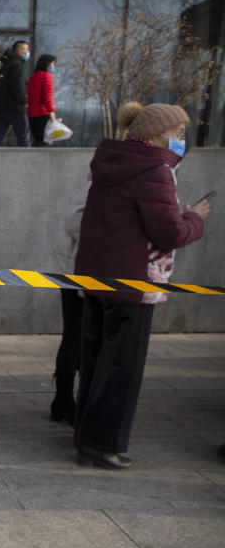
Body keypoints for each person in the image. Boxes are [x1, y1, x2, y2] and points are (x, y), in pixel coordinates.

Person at [73, 101, 211, 470]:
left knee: (97, 361)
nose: (182, 141)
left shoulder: (110, 161)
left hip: (98, 278)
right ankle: (103, 445)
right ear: (158, 134)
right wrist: (195, 218)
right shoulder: (154, 168)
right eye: (179, 134)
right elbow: (169, 232)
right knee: (123, 367)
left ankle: (86, 438)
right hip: (135, 280)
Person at [48, 177, 90, 425]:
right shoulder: (96, 184)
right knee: (75, 337)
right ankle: (64, 399)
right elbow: (75, 220)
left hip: (81, 271)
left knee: (79, 338)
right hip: (76, 273)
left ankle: (65, 401)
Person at [0, 40, 31, 147]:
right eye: (24, 49)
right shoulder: (17, 65)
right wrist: (24, 101)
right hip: (15, 107)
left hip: (3, 108)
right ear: (17, 50)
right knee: (24, 136)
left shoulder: (5, 66)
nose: (26, 52)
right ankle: (28, 161)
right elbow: (18, 85)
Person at [27, 54, 57, 147]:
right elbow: (47, 96)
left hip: (31, 113)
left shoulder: (33, 77)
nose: (53, 67)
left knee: (37, 140)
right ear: (48, 65)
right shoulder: (47, 76)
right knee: (44, 142)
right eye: (53, 64)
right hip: (42, 112)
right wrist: (51, 111)